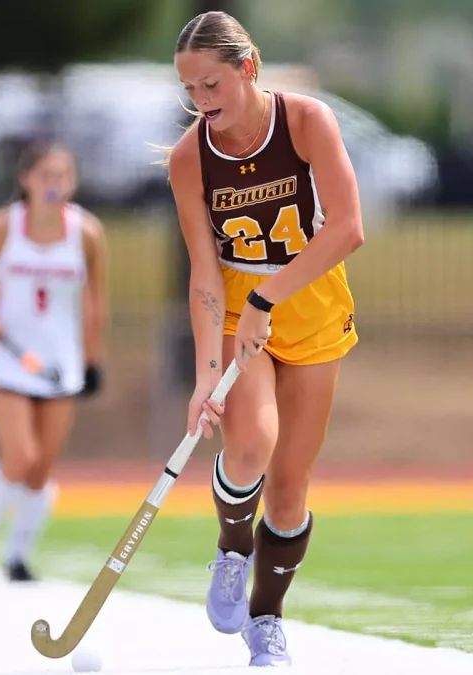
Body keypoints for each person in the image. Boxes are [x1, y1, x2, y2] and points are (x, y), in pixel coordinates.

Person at [164, 10, 363, 667]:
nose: (202, 103)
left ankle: (266, 623)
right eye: (190, 90)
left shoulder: (307, 122)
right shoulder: (191, 157)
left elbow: (346, 229)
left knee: (288, 490)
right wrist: (204, 375)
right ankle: (231, 547)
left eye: (211, 86)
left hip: (309, 309)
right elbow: (202, 270)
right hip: (235, 314)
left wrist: (266, 297)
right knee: (250, 443)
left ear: (246, 67)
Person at [0, 141, 109, 582]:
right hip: (9, 362)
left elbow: (97, 301)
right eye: (45, 175)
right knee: (20, 456)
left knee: (42, 468)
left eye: (63, 176)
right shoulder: (3, 228)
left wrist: (93, 359)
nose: (54, 185)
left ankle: (18, 555)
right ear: (26, 179)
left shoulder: (87, 233)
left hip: (60, 363)